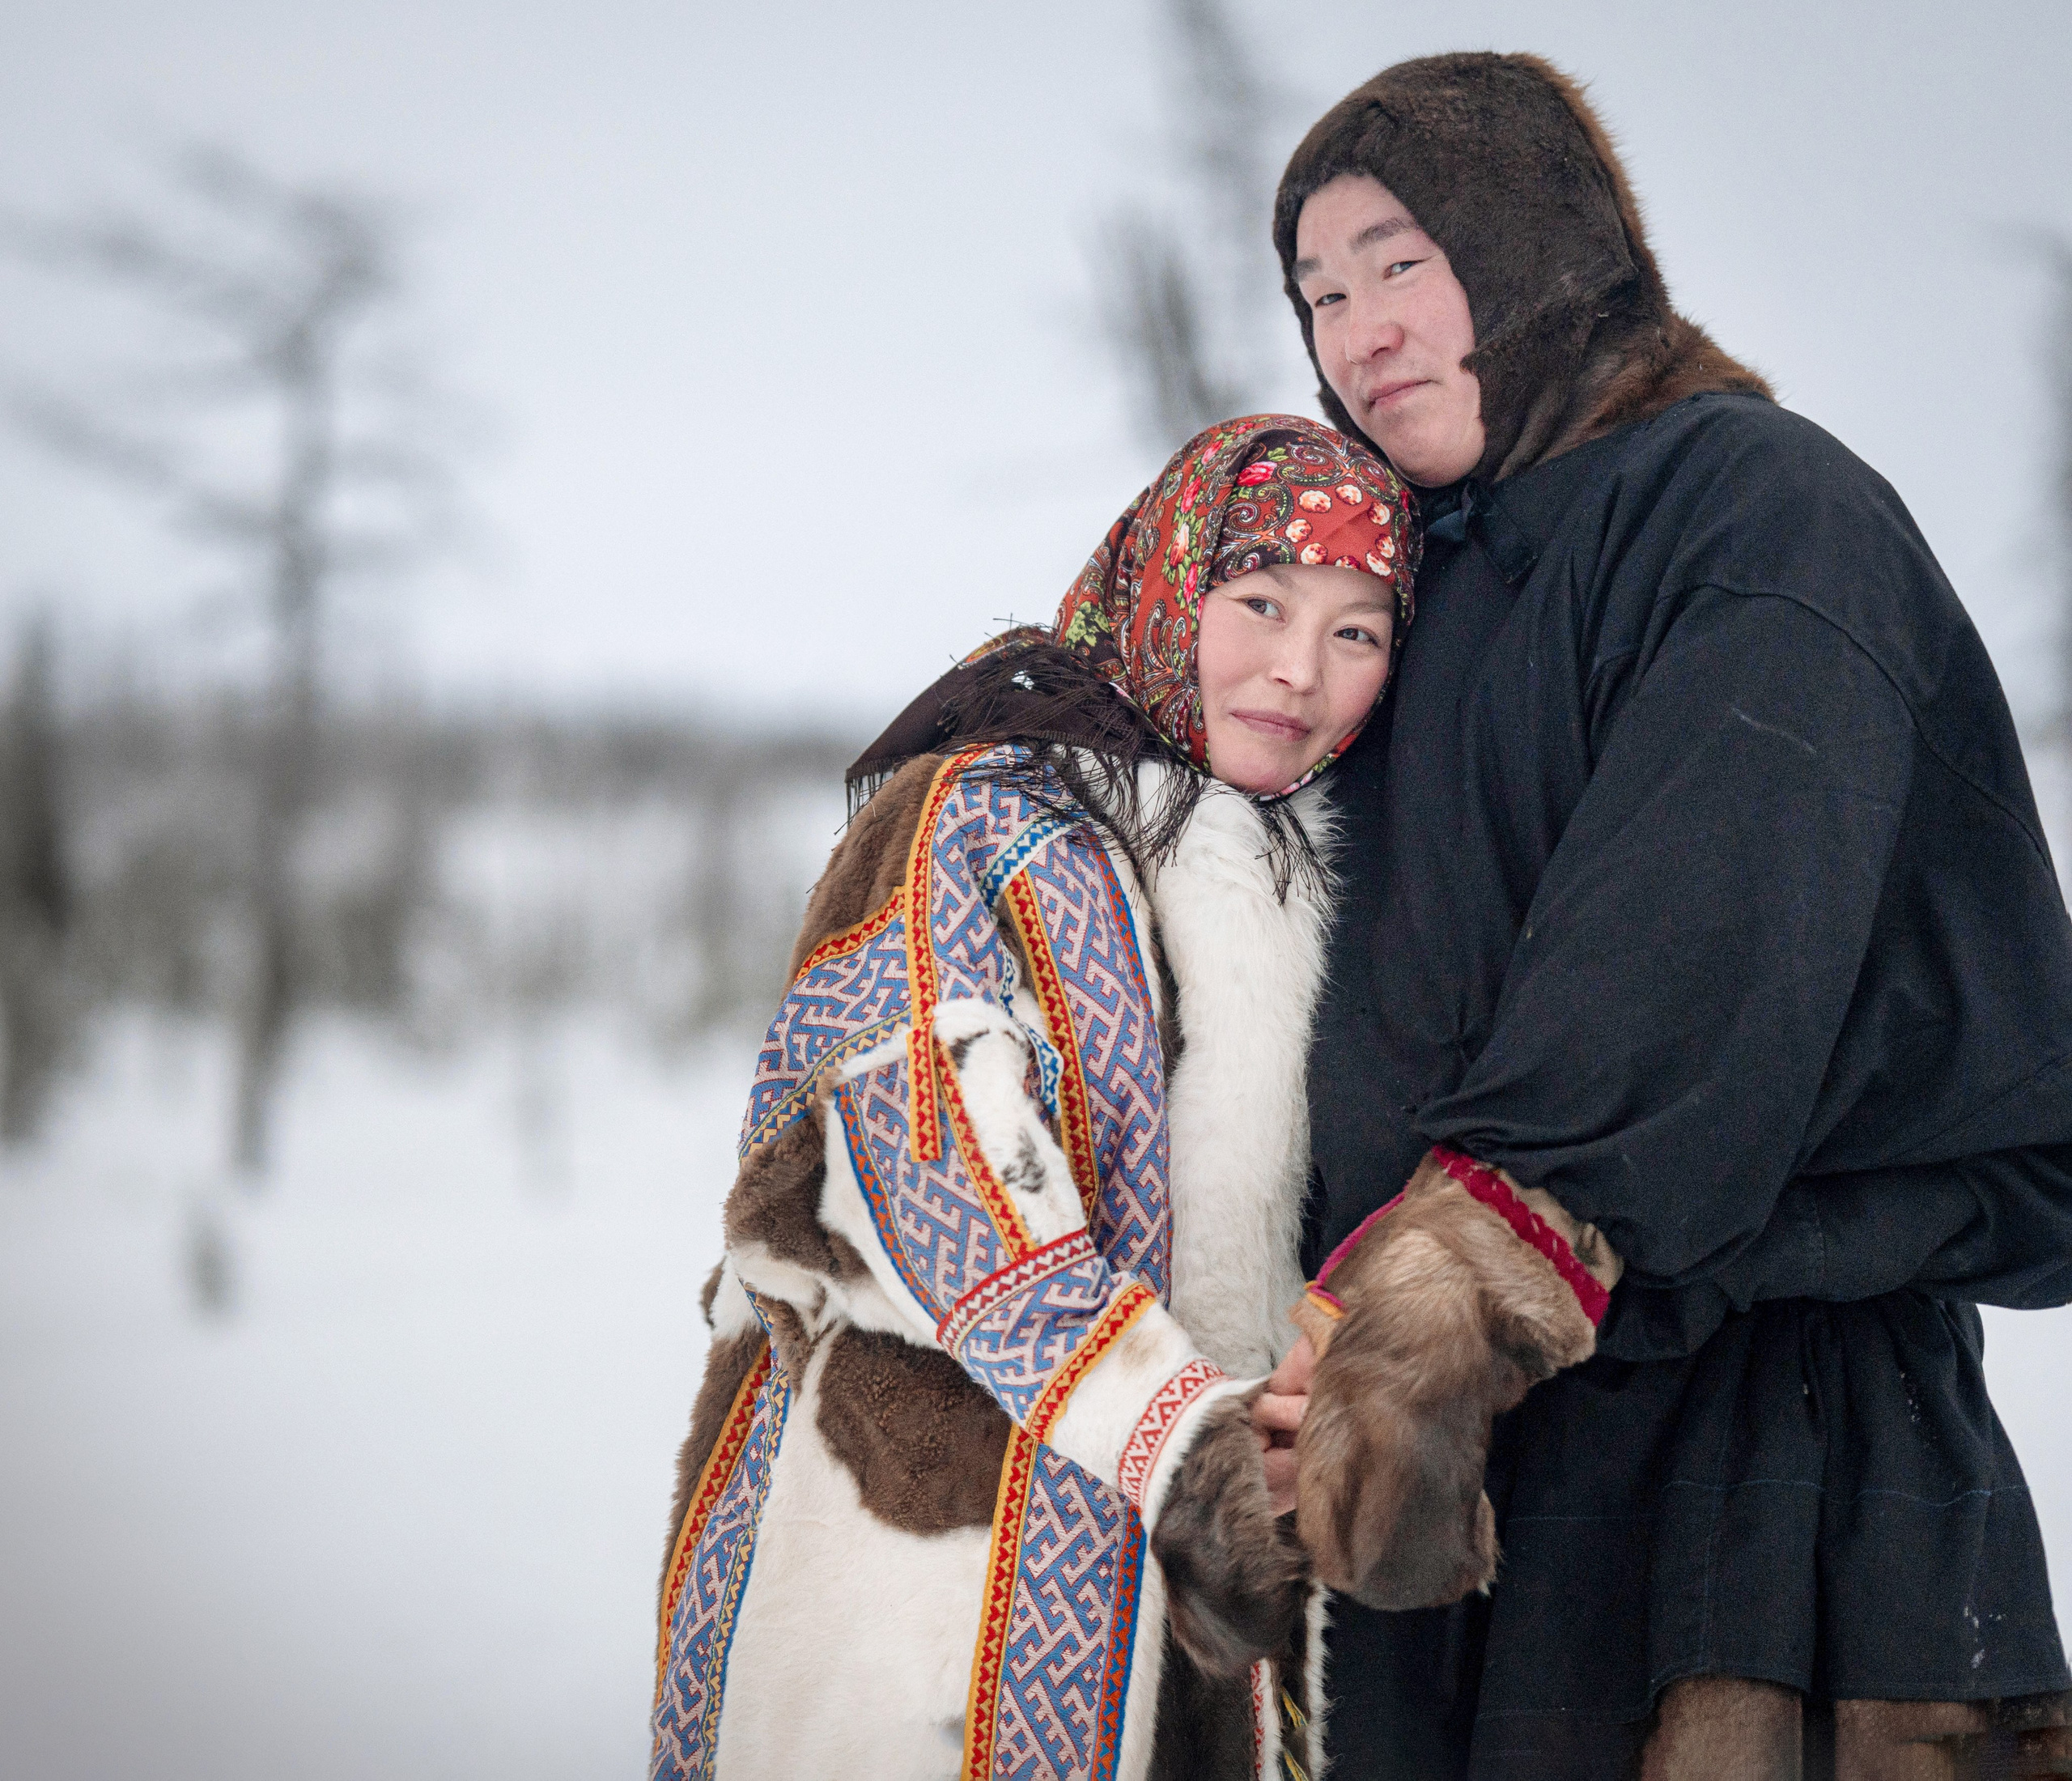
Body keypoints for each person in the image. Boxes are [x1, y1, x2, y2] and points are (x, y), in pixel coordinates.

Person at [1265, 50, 2072, 1779]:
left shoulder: (1760, 509)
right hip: (1430, 1470)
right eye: (1318, 293)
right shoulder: (1400, 595)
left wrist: (1444, 1289)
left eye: (1400, 262)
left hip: (1754, 1469)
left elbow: (1702, 927)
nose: (1357, 333)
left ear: (1536, 241)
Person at [648, 414, 1419, 1781]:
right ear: (1172, 580)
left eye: (1358, 632)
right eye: (1260, 602)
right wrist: (1181, 1439)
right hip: (924, 1585)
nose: (1299, 670)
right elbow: (925, 1167)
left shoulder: (1298, 881)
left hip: (1183, 1625)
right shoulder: (979, 812)